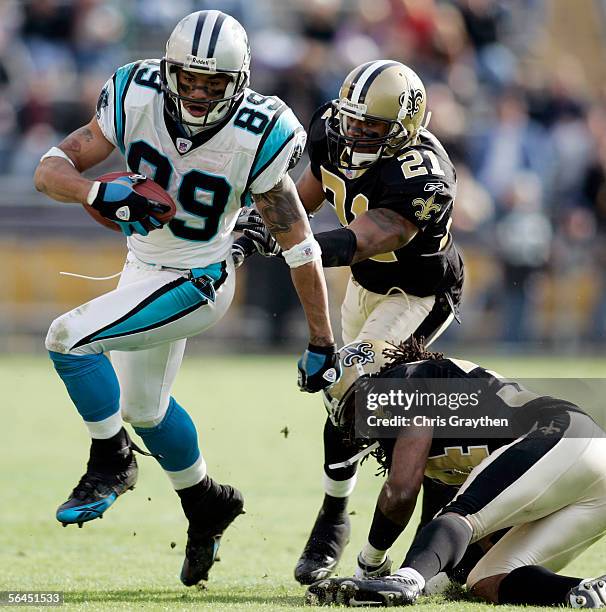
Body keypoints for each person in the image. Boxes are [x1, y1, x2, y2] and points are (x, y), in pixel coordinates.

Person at [33, 9, 339, 587]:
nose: (197, 93)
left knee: (67, 339)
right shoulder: (135, 93)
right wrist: (96, 188)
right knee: (143, 409)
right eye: (189, 79)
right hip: (143, 266)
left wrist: (323, 338)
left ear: (239, 82)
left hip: (199, 278)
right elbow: (51, 169)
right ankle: (206, 502)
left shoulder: (261, 132)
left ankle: (112, 464)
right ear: (170, 70)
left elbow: (299, 245)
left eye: (213, 83)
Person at [235, 60, 464, 583]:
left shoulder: (423, 175)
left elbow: (369, 236)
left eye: (372, 127)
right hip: (364, 285)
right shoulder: (330, 128)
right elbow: (312, 188)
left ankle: (343, 519)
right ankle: (338, 508)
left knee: (353, 385)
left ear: (403, 128)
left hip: (417, 294)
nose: (356, 133)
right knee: (342, 397)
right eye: (352, 121)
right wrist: (270, 217)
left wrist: (290, 239)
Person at [305, 338, 606, 608]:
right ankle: (580, 592)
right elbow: (459, 537)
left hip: (561, 435)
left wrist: (372, 564)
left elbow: (402, 490)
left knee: (464, 515)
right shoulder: (445, 438)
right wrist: (439, 576)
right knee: (485, 579)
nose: (362, 423)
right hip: (584, 472)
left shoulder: (405, 379)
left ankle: (404, 581)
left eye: (358, 406)